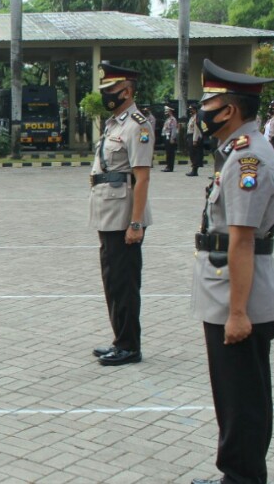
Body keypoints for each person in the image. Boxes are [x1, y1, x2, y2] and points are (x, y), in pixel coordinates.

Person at [189, 60, 274, 484]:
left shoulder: (248, 158)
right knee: (235, 395)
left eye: (208, 102)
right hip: (229, 291)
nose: (202, 110)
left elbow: (243, 240)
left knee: (242, 398)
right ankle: (238, 474)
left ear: (228, 110)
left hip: (238, 296)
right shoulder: (238, 152)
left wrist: (238, 312)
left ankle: (243, 478)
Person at [88, 62, 152, 366]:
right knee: (113, 280)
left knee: (124, 283)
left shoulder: (137, 125)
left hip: (124, 216)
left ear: (126, 91)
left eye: (110, 90)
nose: (106, 95)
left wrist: (136, 223)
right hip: (108, 213)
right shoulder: (115, 123)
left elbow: (142, 178)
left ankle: (130, 346)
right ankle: (120, 339)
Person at [187, 107, 205, 176]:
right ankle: (193, 169)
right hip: (190, 136)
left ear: (195, 110)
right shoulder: (192, 117)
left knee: (194, 154)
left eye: (191, 109)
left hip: (194, 136)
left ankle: (195, 170)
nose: (190, 111)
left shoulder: (196, 118)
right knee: (192, 154)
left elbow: (196, 130)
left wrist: (194, 140)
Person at [161, 106, 179, 172]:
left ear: (170, 112)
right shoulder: (167, 119)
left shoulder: (173, 119)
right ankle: (168, 165)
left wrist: (172, 138)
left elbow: (174, 129)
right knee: (168, 152)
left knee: (170, 152)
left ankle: (170, 167)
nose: (166, 113)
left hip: (170, 137)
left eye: (167, 112)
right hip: (166, 136)